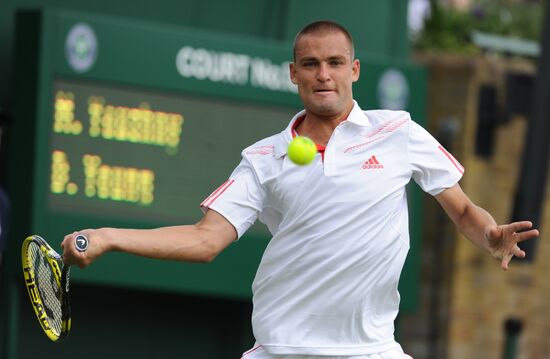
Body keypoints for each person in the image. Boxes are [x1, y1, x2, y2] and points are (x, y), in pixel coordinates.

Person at [62, 21, 539, 359]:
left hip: (371, 351)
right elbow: (205, 240)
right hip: (282, 349)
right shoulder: (263, 157)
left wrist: (489, 235)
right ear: (294, 74)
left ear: (355, 70)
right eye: (310, 64)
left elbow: (461, 210)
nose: (323, 74)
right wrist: (109, 235)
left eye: (334, 63)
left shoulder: (399, 132)